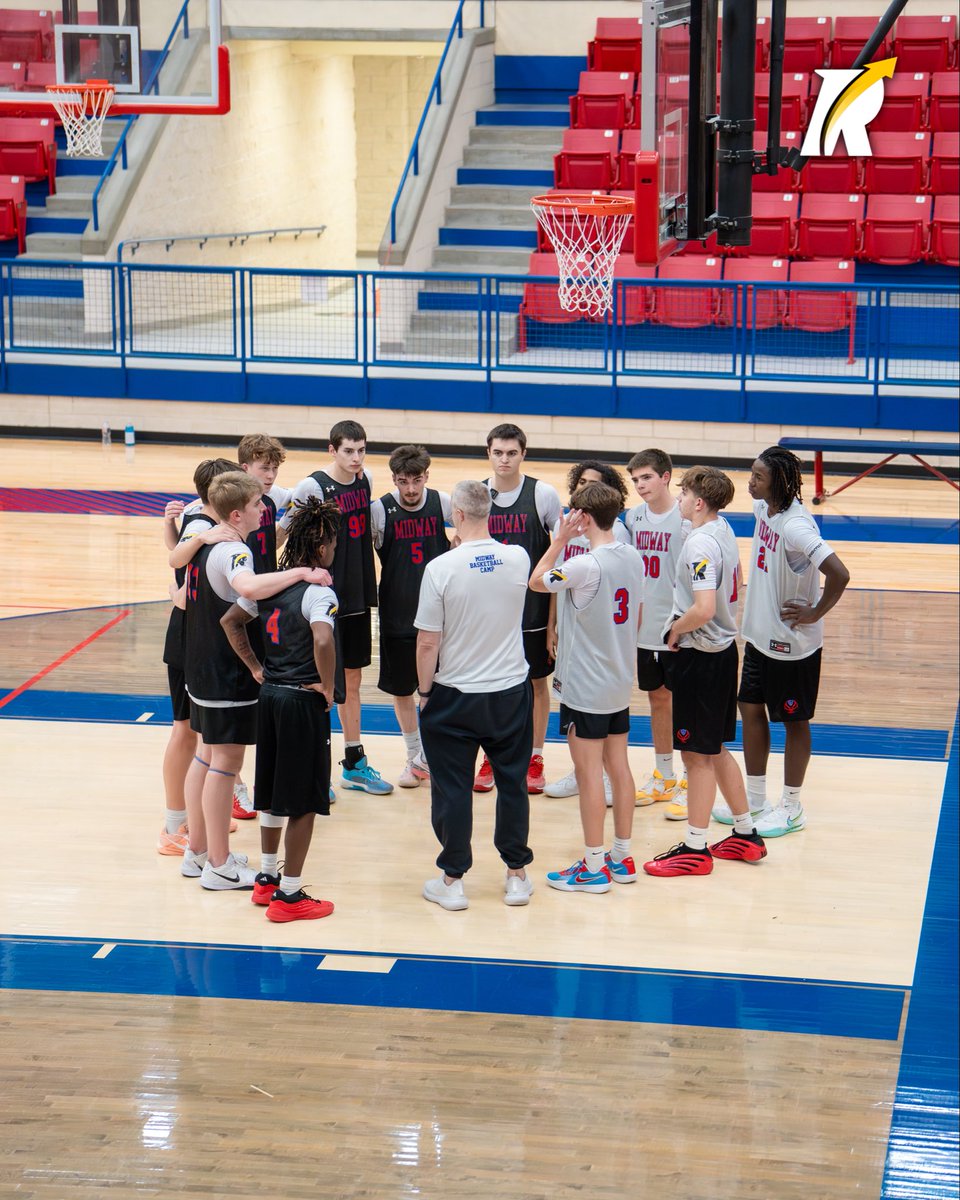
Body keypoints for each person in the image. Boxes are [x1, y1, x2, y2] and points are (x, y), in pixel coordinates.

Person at [180, 471, 332, 891]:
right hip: (224, 672)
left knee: (207, 756)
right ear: (237, 513)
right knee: (225, 764)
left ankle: (197, 852)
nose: (264, 509)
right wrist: (301, 572)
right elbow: (247, 586)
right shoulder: (233, 550)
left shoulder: (204, 536)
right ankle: (219, 865)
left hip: (198, 664)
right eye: (256, 504)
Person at [713, 446, 850, 837]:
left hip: (793, 644)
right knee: (750, 707)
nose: (750, 481)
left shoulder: (796, 526)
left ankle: (791, 807)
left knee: (793, 721)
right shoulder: (763, 511)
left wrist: (815, 612)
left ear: (779, 482)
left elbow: (839, 574)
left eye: (758, 476)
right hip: (759, 634)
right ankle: (755, 799)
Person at [415, 480, 534, 911]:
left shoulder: (441, 568)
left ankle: (452, 880)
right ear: (491, 512)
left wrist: (425, 692)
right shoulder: (518, 557)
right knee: (512, 783)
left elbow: (428, 643)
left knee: (452, 789)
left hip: (455, 695)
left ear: (457, 517)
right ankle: (517, 875)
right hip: (509, 692)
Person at [642, 466, 767, 878]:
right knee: (713, 749)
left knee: (696, 755)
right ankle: (746, 834)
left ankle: (696, 848)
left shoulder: (698, 544)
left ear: (698, 502)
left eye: (683, 495)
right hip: (721, 651)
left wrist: (673, 630)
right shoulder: (724, 529)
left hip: (700, 655)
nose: (678, 500)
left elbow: (703, 608)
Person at [221, 496, 342, 922]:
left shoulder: (272, 586)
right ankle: (290, 898)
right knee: (305, 801)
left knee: (269, 795)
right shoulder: (318, 593)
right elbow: (323, 641)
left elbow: (230, 622)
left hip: (269, 696)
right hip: (300, 701)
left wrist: (256, 666)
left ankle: (267, 880)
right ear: (323, 547)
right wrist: (327, 688)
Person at [530, 481, 645, 894]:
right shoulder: (632, 556)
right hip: (617, 680)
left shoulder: (585, 565)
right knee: (619, 767)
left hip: (586, 685)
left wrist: (559, 539)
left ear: (582, 517)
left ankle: (594, 866)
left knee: (589, 774)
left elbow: (536, 580)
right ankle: (622, 855)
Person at [280, 420, 392, 795]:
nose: (356, 458)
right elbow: (286, 534)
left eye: (361, 450)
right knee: (319, 685)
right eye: (348, 450)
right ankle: (316, 771)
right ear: (332, 450)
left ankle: (354, 763)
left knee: (353, 681)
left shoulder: (367, 480)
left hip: (358, 593)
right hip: (322, 598)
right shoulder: (312, 486)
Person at [157, 457, 238, 855]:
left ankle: (195, 821)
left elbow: (176, 558)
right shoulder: (203, 526)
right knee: (185, 732)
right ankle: (174, 826)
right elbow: (178, 565)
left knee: (201, 738)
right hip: (186, 642)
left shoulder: (201, 520)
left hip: (196, 640)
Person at [476, 423, 562, 795]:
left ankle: (535, 755)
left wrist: (553, 623)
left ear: (523, 454)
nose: (504, 459)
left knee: (536, 683)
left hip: (533, 611)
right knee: (490, 685)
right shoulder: (479, 495)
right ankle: (493, 756)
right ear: (489, 454)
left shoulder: (542, 495)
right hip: (490, 612)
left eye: (512, 452)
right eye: (498, 452)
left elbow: (560, 557)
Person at [542, 460, 631, 802]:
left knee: (598, 717)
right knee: (572, 711)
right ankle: (582, 773)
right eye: (580, 482)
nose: (584, 489)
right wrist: (552, 626)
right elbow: (558, 581)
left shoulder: (615, 534)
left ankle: (604, 779)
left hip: (598, 639)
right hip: (571, 630)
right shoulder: (567, 526)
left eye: (592, 484)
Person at [371, 444, 452, 787]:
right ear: (394, 479)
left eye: (416, 480)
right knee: (403, 691)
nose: (411, 489)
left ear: (426, 477)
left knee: (440, 691)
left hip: (440, 618)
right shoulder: (380, 510)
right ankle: (414, 758)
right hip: (397, 614)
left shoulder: (443, 503)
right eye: (403, 481)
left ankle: (435, 756)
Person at [624, 449, 690, 816]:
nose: (640, 485)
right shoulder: (634, 517)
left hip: (678, 626)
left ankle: (689, 777)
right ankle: (664, 775)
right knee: (657, 700)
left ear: (666, 476)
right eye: (635, 480)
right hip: (644, 628)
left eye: (646, 477)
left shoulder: (686, 519)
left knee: (685, 703)